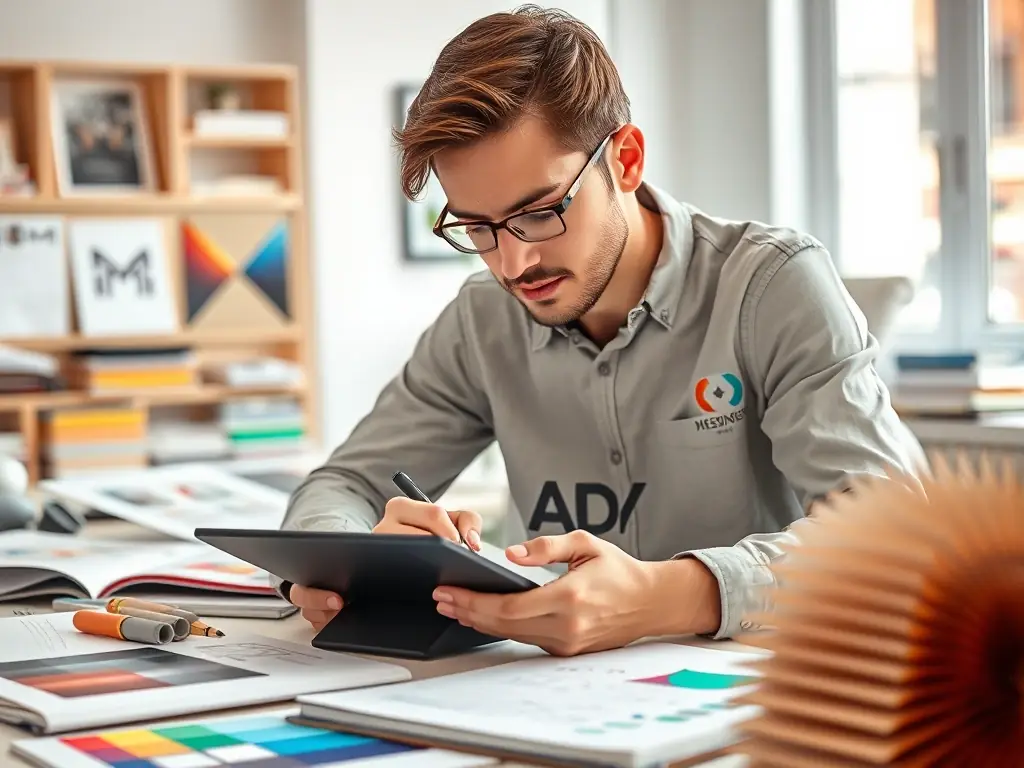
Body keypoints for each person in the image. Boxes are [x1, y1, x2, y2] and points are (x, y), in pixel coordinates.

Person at [280, 5, 924, 656]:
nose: (512, 264)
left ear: (626, 159)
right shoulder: (482, 320)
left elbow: (889, 538)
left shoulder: (771, 285)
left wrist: (663, 596)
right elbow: (344, 486)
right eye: (477, 228)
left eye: (537, 213)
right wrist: (338, 561)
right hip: (548, 702)